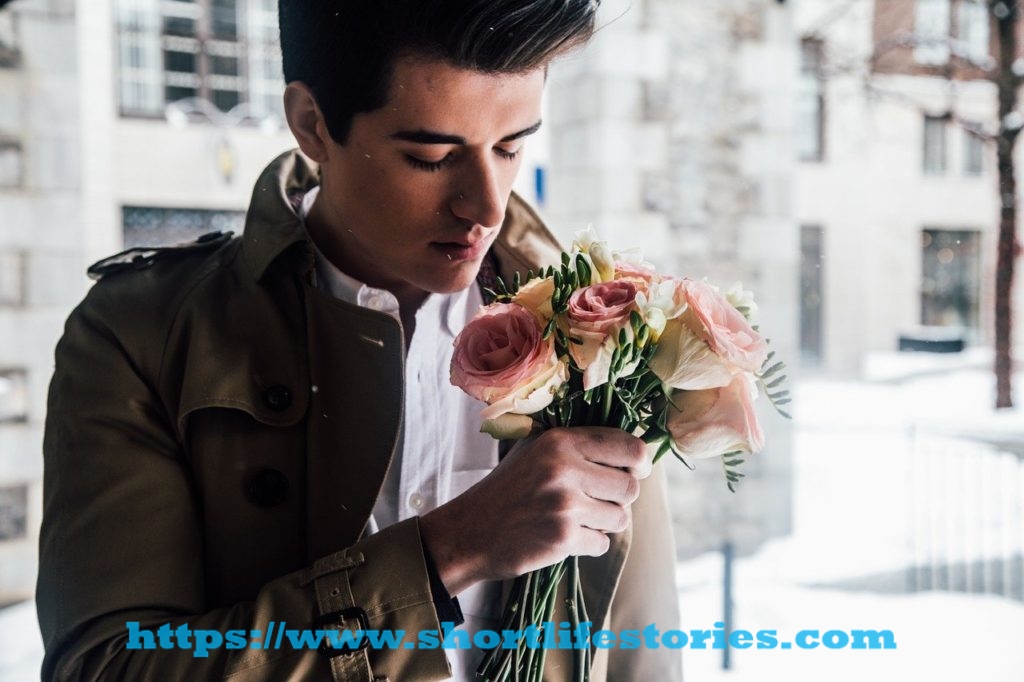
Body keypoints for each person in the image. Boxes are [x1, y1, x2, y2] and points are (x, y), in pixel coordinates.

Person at [36, 1, 682, 680]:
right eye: (431, 157)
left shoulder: (605, 330)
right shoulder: (144, 334)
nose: (487, 206)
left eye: (513, 145)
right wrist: (447, 551)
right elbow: (104, 667)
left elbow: (643, 646)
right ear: (312, 125)